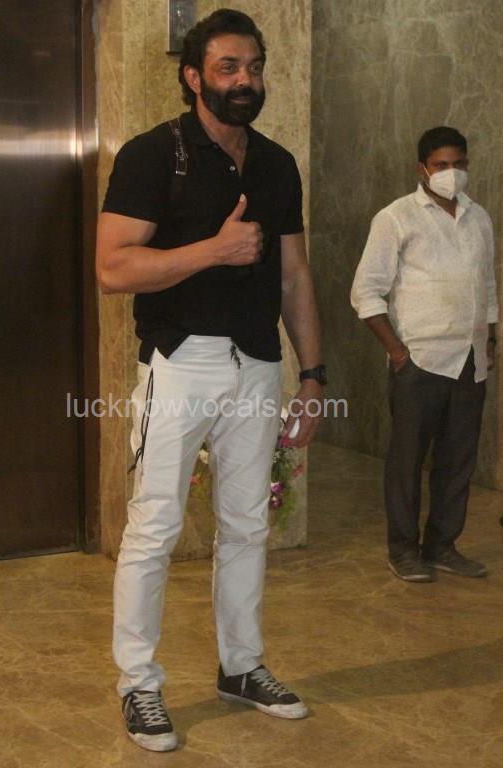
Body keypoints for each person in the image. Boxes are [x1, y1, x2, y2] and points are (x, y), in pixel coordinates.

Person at [96, 8, 325, 753]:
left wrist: (312, 375)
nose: (244, 80)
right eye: (228, 67)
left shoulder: (277, 164)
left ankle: (241, 666)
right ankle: (139, 682)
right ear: (194, 76)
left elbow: (294, 274)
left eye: (253, 67)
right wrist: (212, 251)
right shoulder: (151, 155)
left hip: (257, 363)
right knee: (155, 525)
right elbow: (112, 267)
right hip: (179, 361)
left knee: (247, 524)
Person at [351, 126, 498, 583]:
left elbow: (488, 284)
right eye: (441, 165)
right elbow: (365, 293)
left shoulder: (479, 218)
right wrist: (397, 352)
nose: (452, 173)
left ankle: (441, 546)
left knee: (458, 461)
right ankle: (403, 550)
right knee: (407, 461)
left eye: (459, 164)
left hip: (470, 359)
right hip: (419, 361)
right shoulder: (396, 218)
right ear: (422, 169)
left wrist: (490, 339)